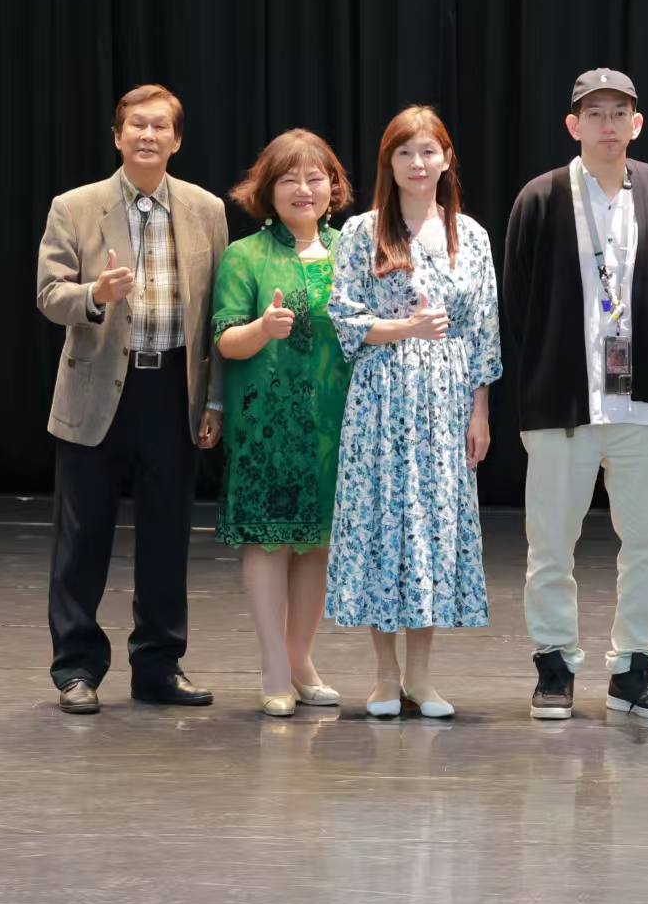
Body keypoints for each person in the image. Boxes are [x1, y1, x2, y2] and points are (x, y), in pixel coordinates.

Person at [34, 84, 228, 714]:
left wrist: (214, 401)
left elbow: (217, 314)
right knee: (83, 536)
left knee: (168, 536)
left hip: (173, 388)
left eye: (160, 126)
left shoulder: (206, 210)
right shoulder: (75, 207)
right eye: (136, 125)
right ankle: (76, 668)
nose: (148, 135)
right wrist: (95, 294)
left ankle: (159, 666)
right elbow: (49, 295)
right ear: (117, 136)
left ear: (177, 140)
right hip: (97, 388)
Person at [503, 69, 648, 722]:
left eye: (619, 113)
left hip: (645, 400)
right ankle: (554, 665)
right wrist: (546, 374)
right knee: (550, 545)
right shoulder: (542, 196)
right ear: (573, 124)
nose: (608, 125)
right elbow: (517, 303)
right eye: (595, 113)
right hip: (563, 404)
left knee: (647, 544)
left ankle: (633, 669)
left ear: (637, 123)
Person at [324, 106, 501, 719]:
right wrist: (406, 328)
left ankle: (422, 677)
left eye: (428, 151)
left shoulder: (470, 235)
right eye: (405, 152)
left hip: (447, 401)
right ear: (389, 162)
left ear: (446, 159)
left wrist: (480, 411)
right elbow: (345, 318)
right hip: (382, 397)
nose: (417, 163)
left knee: (431, 528)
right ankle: (384, 676)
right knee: (382, 526)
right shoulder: (361, 232)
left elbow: (483, 330)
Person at [211, 129, 356, 717]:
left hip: (335, 424)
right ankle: (273, 666)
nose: (304, 189)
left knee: (318, 543)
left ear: (332, 187)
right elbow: (225, 340)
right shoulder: (245, 255)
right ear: (267, 189)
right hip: (267, 425)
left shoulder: (353, 248)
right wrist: (261, 330)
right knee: (270, 542)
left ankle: (301, 662)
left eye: (315, 178)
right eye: (290, 179)